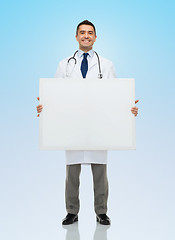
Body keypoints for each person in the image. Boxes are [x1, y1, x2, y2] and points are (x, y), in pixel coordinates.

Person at [36, 20, 139, 225]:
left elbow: (116, 95)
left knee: (100, 172)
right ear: (76, 37)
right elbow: (54, 94)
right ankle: (71, 212)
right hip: (72, 126)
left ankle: (101, 212)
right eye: (82, 33)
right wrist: (44, 107)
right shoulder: (64, 64)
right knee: (72, 173)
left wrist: (129, 109)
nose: (86, 36)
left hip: (98, 126)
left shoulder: (107, 64)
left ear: (95, 37)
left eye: (90, 33)